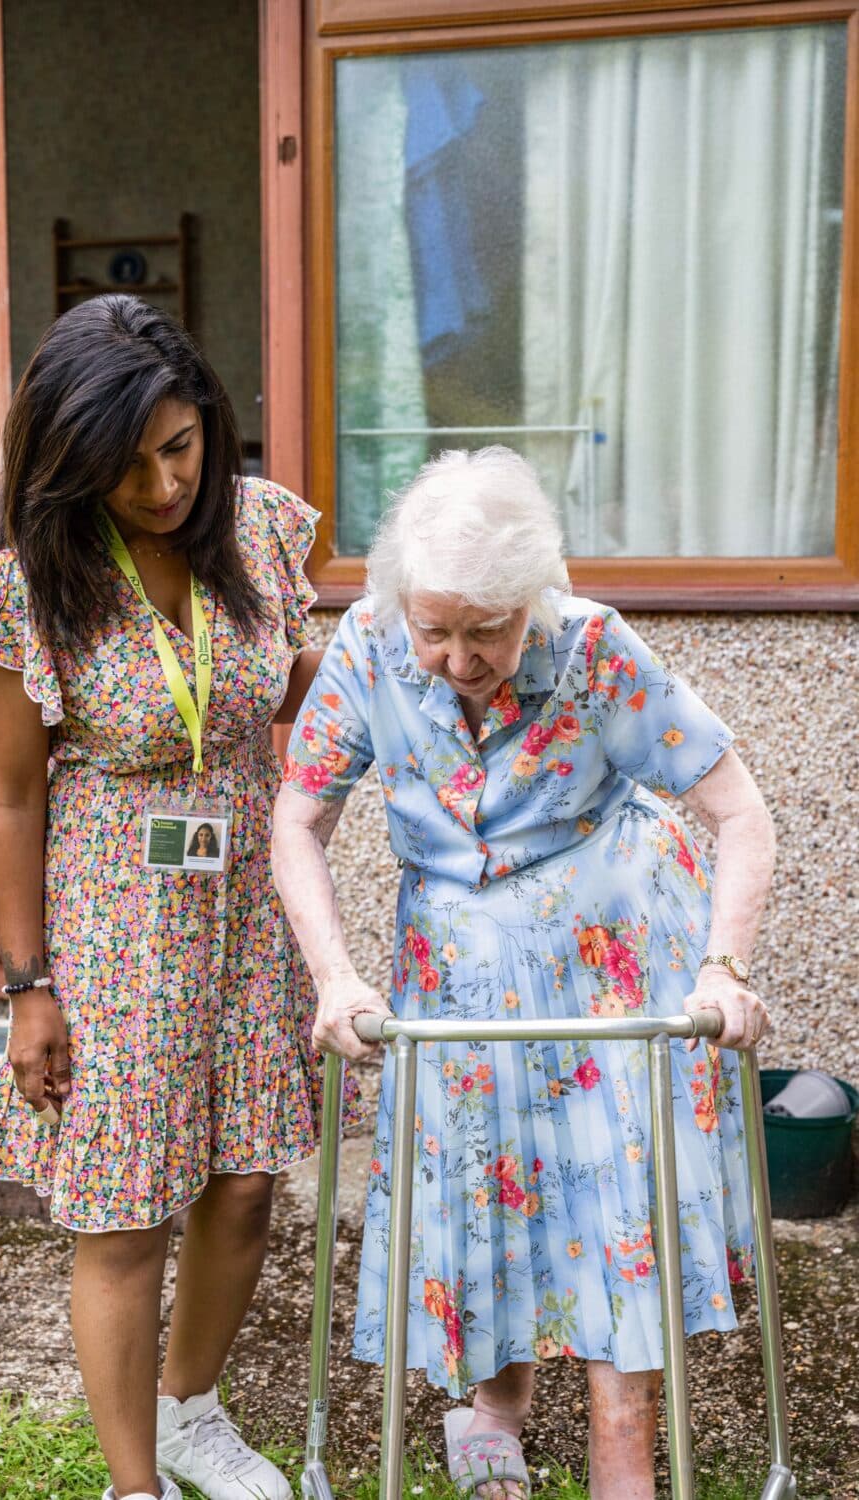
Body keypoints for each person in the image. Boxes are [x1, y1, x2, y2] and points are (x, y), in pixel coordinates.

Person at [272, 446, 775, 1500]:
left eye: (486, 630)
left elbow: (738, 812)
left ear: (532, 597)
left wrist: (724, 967)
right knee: (478, 1192)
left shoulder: (594, 649)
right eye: (436, 629)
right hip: (451, 973)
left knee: (612, 1209)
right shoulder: (366, 650)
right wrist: (334, 977)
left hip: (610, 964)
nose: (457, 658)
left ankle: (623, 1460)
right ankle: (491, 1411)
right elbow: (298, 820)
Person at [0, 294, 355, 1500]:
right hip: (113, 921)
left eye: (180, 447)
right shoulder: (28, 588)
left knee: (244, 1182)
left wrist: (416, 666)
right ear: (71, 464)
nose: (166, 484)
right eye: (129, 468)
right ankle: (135, 1487)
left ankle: (190, 1416)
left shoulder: (262, 534)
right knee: (124, 1213)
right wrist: (30, 989)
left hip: (251, 905)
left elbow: (286, 691)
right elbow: (11, 799)